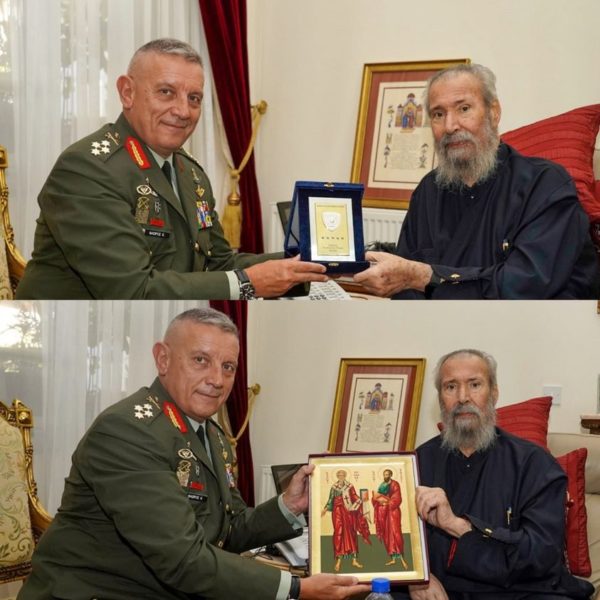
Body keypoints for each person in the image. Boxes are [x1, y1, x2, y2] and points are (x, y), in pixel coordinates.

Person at [18, 308, 370, 600]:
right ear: (163, 359)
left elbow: (227, 530)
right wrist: (295, 589)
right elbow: (182, 558)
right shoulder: (128, 431)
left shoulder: (210, 435)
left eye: (228, 367)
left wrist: (289, 506)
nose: (217, 379)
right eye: (201, 360)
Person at [16, 39, 327, 300]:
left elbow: (219, 263)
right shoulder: (86, 169)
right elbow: (132, 289)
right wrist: (248, 284)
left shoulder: (190, 173)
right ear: (127, 92)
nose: (183, 111)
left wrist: (316, 263)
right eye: (166, 92)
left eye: (194, 98)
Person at [354, 64, 598, 299]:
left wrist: (426, 277)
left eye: (464, 109)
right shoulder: (427, 190)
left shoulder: (544, 184)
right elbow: (404, 285)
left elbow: (524, 286)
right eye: (438, 114)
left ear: (494, 112)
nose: (450, 126)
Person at [398, 349, 594, 600]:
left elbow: (541, 555)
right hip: (440, 591)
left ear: (494, 393)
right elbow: (393, 541)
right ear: (440, 400)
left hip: (518, 592)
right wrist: (418, 578)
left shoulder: (534, 464)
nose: (463, 397)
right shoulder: (417, 462)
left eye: (474, 384)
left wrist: (456, 525)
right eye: (451, 387)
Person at [321, 469, 372, 572]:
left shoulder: (349, 486)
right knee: (338, 533)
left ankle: (354, 560)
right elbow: (330, 499)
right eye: (339, 475)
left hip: (348, 512)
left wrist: (361, 500)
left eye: (342, 475)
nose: (341, 477)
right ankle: (338, 560)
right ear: (337, 476)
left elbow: (355, 497)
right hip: (337, 512)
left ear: (345, 476)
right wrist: (325, 509)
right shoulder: (334, 487)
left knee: (351, 532)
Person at [372, 469, 408, 569]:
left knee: (395, 533)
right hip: (384, 513)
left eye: (387, 474)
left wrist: (388, 503)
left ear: (390, 475)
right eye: (384, 474)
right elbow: (378, 496)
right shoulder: (382, 485)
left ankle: (402, 559)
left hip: (393, 512)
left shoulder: (395, 484)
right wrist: (376, 499)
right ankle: (393, 558)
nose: (385, 476)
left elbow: (397, 497)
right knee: (387, 534)